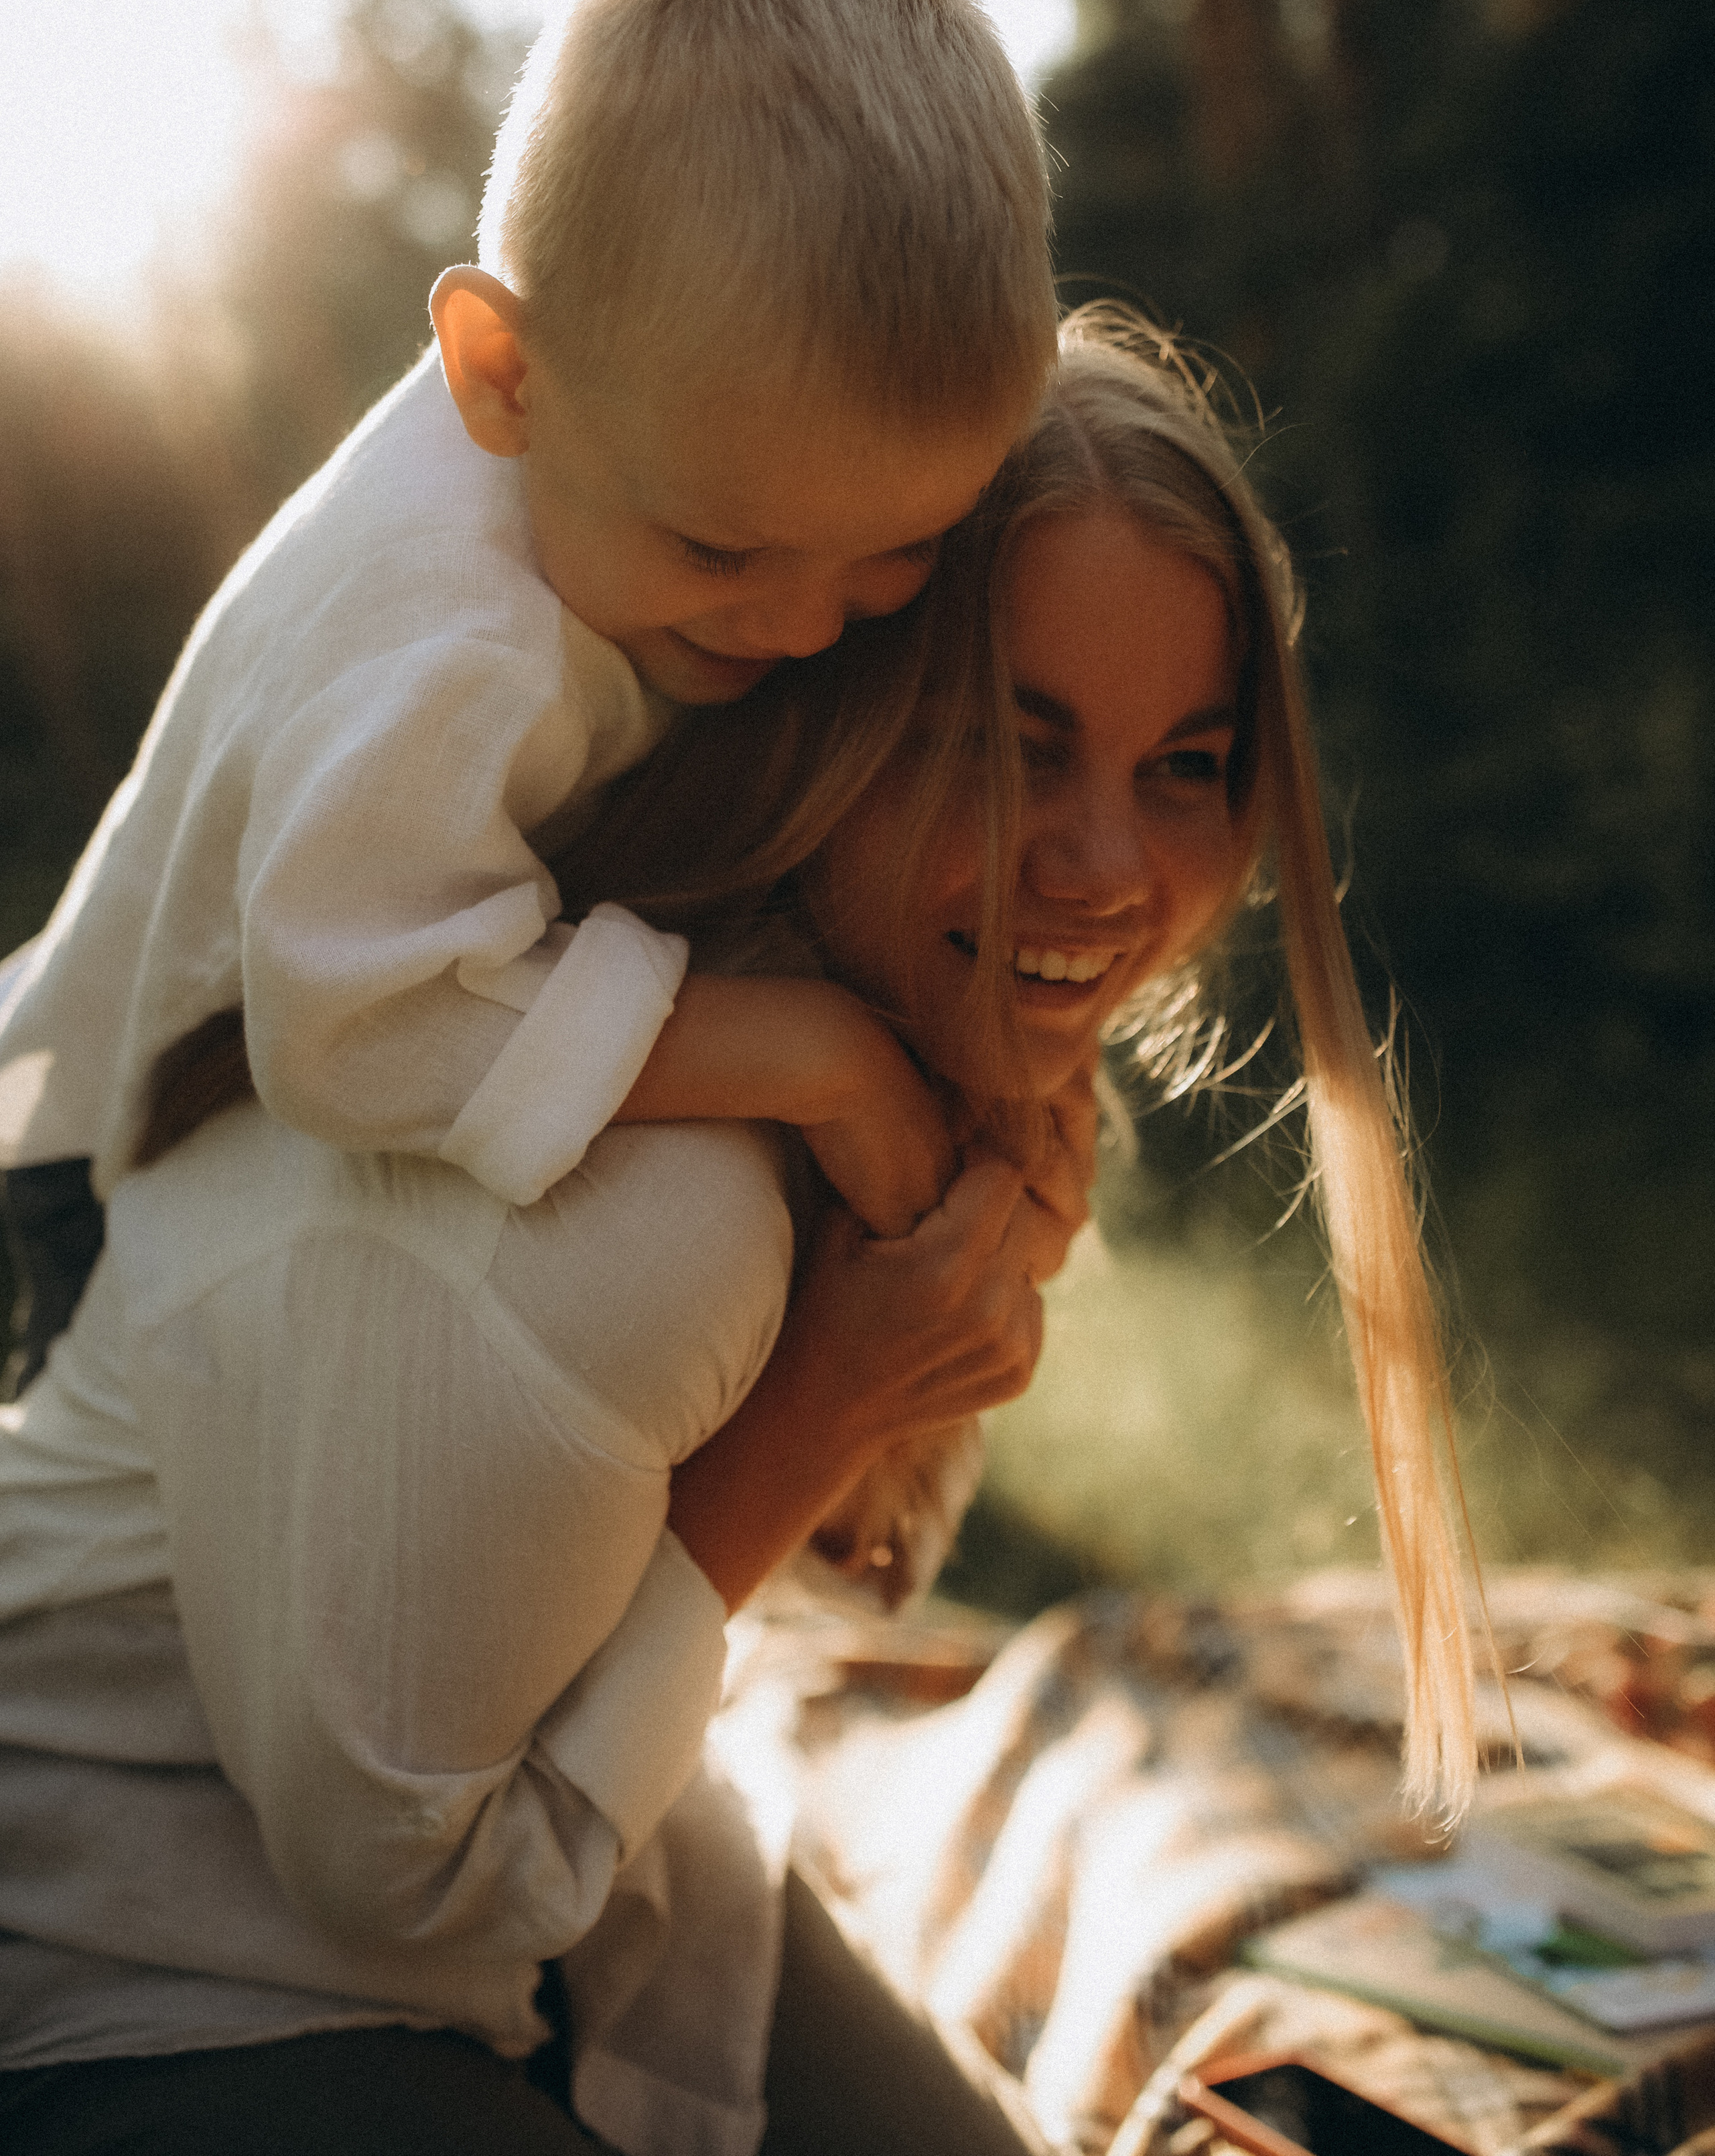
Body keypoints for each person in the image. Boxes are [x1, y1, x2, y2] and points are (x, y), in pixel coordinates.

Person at [0, 314, 1480, 2153]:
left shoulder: (929, 1058)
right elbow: (415, 1885)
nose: (1108, 870)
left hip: (569, 1877)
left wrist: (926, 1342)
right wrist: (817, 1412)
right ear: (837, 715)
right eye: (1012, 747)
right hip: (133, 1932)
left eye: (1186, 762)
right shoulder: (651, 1200)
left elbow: (848, 1575)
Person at [0, 0, 1058, 1388]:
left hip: (266, 1030)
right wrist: (821, 1058)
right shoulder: (438, 636)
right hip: (120, 1117)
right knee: (137, 1532)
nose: (806, 622)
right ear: (500, 378)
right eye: (720, 549)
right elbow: (355, 1029)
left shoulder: (628, 415)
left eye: (899, 550)